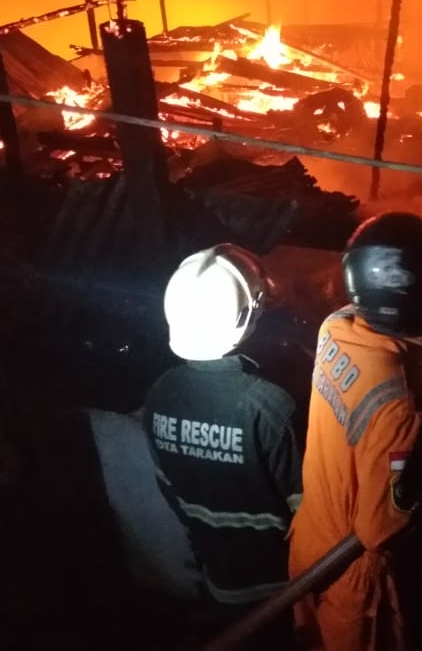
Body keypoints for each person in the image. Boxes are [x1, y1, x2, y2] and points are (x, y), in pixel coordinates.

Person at [288, 211, 422, 651]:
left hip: (309, 540)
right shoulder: (397, 401)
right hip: (351, 575)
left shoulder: (336, 329)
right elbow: (380, 527)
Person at [142, 244, 304, 645]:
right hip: (285, 589)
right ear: (250, 315)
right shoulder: (270, 406)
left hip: (218, 581)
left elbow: (170, 490)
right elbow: (307, 508)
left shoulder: (160, 394)